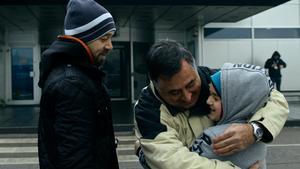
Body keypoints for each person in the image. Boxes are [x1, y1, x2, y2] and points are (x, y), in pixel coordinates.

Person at [134, 39, 289, 169]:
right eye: (174, 93)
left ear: (195, 67)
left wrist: (255, 130)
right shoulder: (147, 110)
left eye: (190, 85)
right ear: (156, 84)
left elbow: (274, 98)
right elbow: (172, 161)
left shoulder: (216, 79)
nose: (187, 97)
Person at [38, 0, 119, 168]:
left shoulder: (78, 75)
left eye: (111, 38)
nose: (110, 46)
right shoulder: (73, 84)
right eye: (104, 38)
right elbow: (75, 161)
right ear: (84, 38)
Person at [191, 63, 276, 169]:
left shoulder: (212, 136)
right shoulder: (259, 135)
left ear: (236, 102)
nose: (208, 101)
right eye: (209, 94)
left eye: (216, 98)